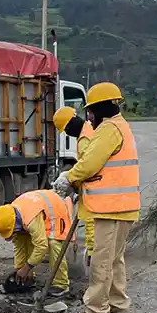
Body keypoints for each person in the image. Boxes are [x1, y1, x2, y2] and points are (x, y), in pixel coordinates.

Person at [53, 82, 140, 313]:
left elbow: (91, 162)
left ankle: (96, 311)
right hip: (123, 206)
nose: (89, 116)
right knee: (114, 258)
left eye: (91, 110)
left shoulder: (109, 129)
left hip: (110, 207)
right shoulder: (122, 127)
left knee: (102, 259)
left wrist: (68, 177)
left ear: (102, 107)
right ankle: (118, 303)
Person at [0, 189, 74, 298]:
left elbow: (41, 247)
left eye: (10, 233)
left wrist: (26, 268)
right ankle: (29, 279)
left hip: (57, 212)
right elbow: (19, 246)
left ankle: (61, 284)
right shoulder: (11, 215)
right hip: (40, 210)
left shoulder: (30, 219)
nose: (9, 238)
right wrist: (19, 270)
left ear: (14, 224)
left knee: (53, 243)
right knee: (25, 238)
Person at [53, 106, 96, 265]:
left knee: (91, 221)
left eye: (66, 130)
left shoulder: (85, 138)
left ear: (71, 124)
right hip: (90, 188)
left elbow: (87, 167)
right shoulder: (87, 131)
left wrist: (69, 179)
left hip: (94, 191)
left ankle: (93, 257)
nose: (67, 134)